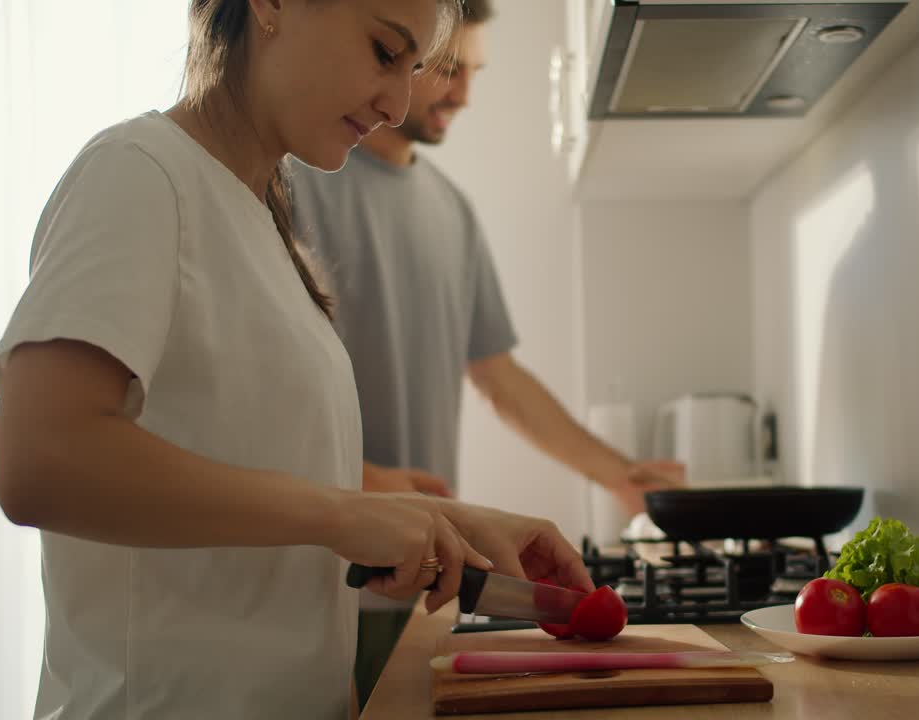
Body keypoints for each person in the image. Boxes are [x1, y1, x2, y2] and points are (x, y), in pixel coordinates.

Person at [0, 1, 592, 718]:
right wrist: (338, 513)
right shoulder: (138, 173)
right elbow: (39, 461)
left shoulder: (263, 222)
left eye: (414, 69)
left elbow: (262, 487)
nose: (398, 104)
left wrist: (448, 522)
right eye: (382, 51)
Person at [288, 0, 684, 704]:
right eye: (446, 69)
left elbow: (498, 377)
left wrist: (621, 475)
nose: (463, 94)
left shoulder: (452, 210)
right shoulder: (294, 181)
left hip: (420, 583)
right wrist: (370, 482)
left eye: (473, 71)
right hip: (313, 578)